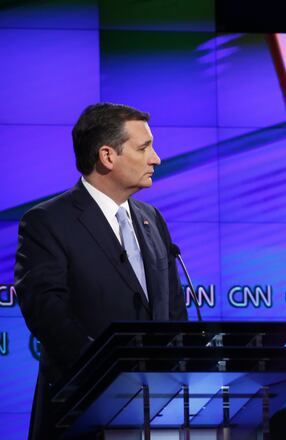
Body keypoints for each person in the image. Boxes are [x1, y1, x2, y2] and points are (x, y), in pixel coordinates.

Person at [14, 103, 188, 439]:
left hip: (157, 416)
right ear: (107, 156)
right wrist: (109, 374)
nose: (156, 158)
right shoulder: (48, 222)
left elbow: (174, 314)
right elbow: (47, 314)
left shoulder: (152, 219)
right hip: (83, 412)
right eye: (144, 148)